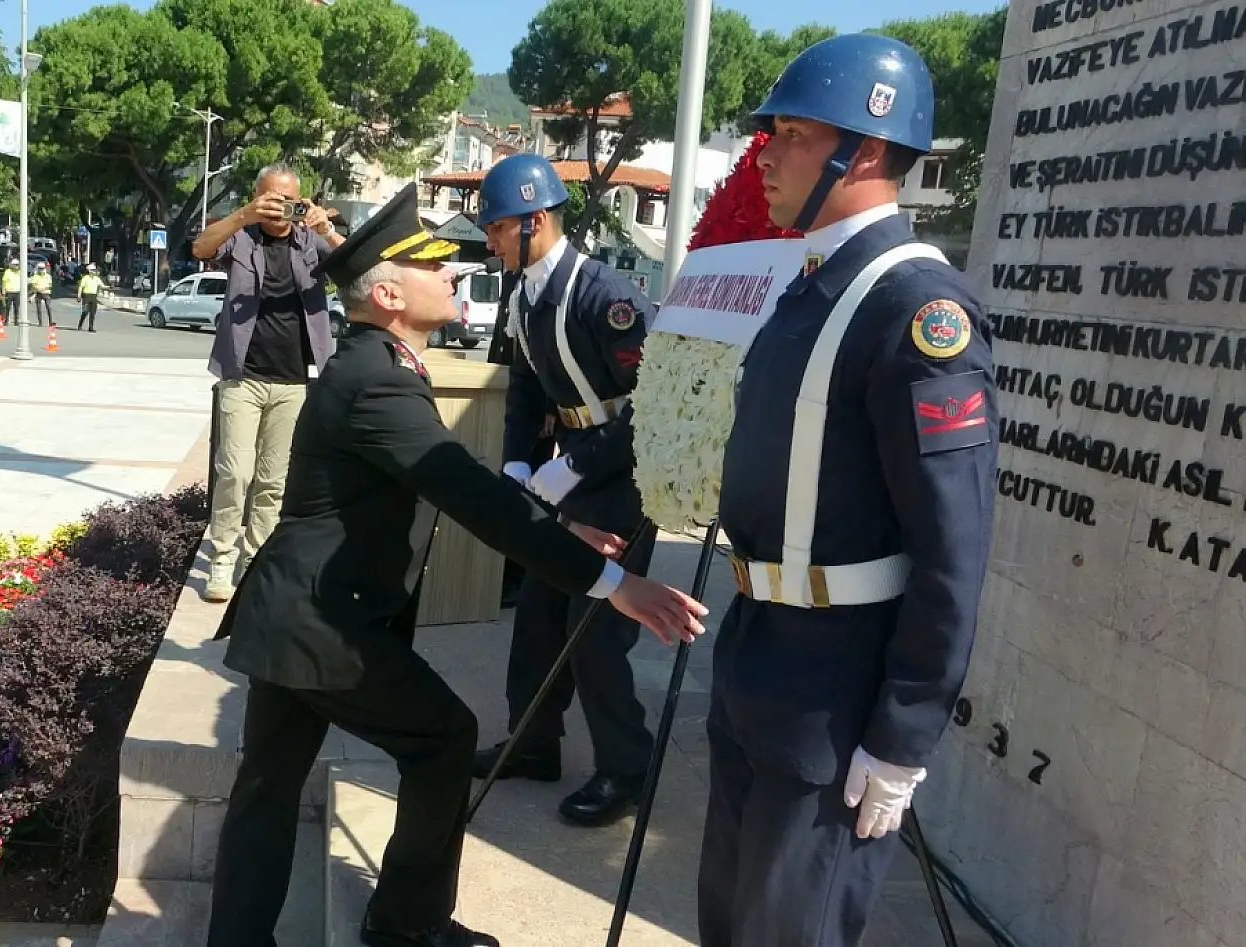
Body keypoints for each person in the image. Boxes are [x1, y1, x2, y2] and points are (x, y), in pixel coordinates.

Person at [203, 182, 709, 947]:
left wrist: (560, 524)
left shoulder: (375, 363)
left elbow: (456, 483)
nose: (452, 272)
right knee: (443, 740)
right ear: (387, 294)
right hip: (317, 622)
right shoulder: (376, 377)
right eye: (432, 265)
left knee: (268, 790)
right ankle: (406, 926)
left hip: (294, 610)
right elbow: (469, 491)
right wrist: (612, 581)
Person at [697, 33, 998, 947]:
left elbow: (952, 547)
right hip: (760, 652)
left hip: (835, 683)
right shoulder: (811, 286)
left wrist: (903, 733)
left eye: (792, 134)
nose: (766, 153)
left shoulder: (918, 309)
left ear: (863, 150)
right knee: (730, 922)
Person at [468, 152, 659, 828]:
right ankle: (532, 741)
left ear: (537, 220)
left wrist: (575, 466)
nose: (491, 242)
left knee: (595, 628)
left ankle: (625, 766)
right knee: (539, 614)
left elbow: (652, 405)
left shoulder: (607, 298)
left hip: (622, 477)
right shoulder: (524, 294)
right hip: (567, 470)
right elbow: (525, 388)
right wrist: (519, 464)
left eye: (498, 228)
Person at [190, 164, 346, 603]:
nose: (281, 208)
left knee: (274, 481)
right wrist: (243, 215)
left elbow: (357, 271)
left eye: (289, 200)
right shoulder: (241, 235)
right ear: (258, 196)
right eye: (272, 198)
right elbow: (201, 248)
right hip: (243, 376)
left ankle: (257, 561)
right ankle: (222, 557)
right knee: (234, 473)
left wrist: (327, 230)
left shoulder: (311, 240)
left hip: (294, 380)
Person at [76, 263, 103, 331]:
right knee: (85, 311)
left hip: (93, 296)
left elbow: (102, 285)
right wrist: (79, 296)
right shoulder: (85, 278)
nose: (94, 271)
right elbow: (80, 287)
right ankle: (80, 324)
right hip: (86, 296)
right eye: (93, 270)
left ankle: (91, 327)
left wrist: (109, 287)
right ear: (90, 271)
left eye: (95, 270)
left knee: (93, 313)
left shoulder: (96, 278)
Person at [0, 257, 22, 325]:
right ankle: (6, 320)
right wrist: (3, 292)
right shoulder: (8, 272)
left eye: (17, 264)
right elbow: (4, 282)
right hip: (9, 292)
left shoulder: (20, 272)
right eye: (15, 264)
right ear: (12, 265)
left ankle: (16, 321)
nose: (16, 266)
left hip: (17, 292)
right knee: (7, 307)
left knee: (16, 308)